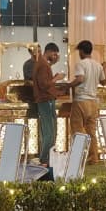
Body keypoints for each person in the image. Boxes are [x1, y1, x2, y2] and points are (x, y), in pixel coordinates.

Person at [30, 42, 66, 178]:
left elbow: (44, 82)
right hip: (45, 101)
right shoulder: (43, 64)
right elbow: (44, 85)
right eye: (54, 54)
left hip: (46, 100)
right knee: (49, 132)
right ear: (49, 52)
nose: (55, 56)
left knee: (49, 131)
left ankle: (47, 158)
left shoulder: (43, 63)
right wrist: (57, 78)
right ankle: (45, 159)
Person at [67, 40, 106, 163]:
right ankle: (93, 157)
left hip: (81, 100)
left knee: (77, 129)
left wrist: (68, 85)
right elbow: (104, 82)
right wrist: (104, 69)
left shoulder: (81, 64)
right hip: (93, 102)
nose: (79, 53)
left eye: (79, 51)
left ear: (82, 51)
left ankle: (78, 157)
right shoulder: (98, 65)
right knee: (91, 131)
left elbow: (80, 79)